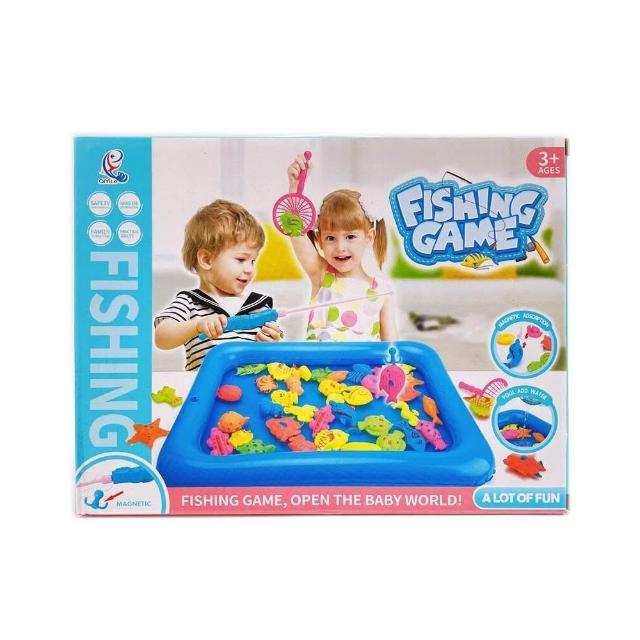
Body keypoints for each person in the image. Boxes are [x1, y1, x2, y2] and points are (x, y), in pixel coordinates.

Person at [154, 199, 283, 370]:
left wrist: (272, 344)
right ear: (207, 260)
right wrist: (197, 326)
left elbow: (278, 356)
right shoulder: (189, 302)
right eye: (241, 259)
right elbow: (162, 337)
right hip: (207, 386)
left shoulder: (260, 306)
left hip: (252, 385)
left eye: (253, 261)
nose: (249, 269)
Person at [285, 155, 398, 342]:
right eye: (330, 238)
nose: (340, 247)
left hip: (363, 362)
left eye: (350, 237)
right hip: (319, 361)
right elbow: (295, 230)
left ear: (369, 238)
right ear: (319, 240)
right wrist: (295, 190)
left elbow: (392, 345)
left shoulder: (382, 291)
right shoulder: (322, 275)